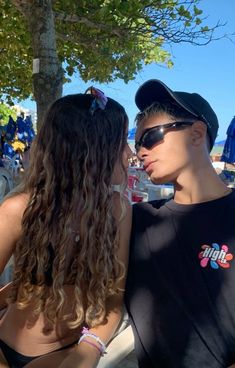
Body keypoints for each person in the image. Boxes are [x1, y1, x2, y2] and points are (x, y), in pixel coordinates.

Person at [0, 87, 132, 368]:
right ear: (93, 150)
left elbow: (113, 298)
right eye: (122, 142)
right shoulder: (18, 209)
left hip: (66, 353)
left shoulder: (118, 211)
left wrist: (91, 348)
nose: (130, 152)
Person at [125, 79, 235, 368]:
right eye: (137, 144)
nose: (140, 151)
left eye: (150, 137)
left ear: (197, 134)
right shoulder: (137, 220)